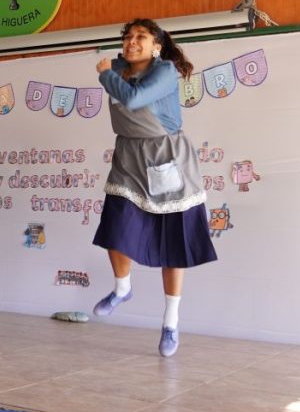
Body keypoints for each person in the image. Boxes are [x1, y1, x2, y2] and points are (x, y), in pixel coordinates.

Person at [91, 19, 218, 357]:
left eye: (141, 37)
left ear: (156, 46)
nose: (132, 42)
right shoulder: (120, 66)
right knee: (115, 226)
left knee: (173, 244)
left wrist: (105, 75)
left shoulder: (163, 73)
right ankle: (122, 288)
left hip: (165, 155)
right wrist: (112, 69)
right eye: (128, 37)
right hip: (128, 155)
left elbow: (133, 100)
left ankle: (171, 323)